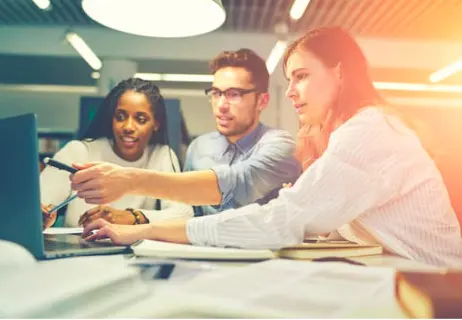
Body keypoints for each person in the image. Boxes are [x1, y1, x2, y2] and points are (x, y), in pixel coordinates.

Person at [74, 27, 462, 267]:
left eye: (302, 76)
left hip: (439, 291)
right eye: (290, 79)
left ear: (339, 72)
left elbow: (278, 221)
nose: (290, 92)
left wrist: (145, 228)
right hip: (411, 276)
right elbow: (333, 220)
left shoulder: (370, 131)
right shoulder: (365, 128)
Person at [70, 48, 301, 216]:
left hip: (262, 262)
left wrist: (129, 180)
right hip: (203, 261)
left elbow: (239, 182)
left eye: (234, 94)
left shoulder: (281, 146)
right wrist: (130, 222)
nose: (221, 104)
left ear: (263, 101)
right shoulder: (199, 147)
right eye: (216, 93)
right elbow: (188, 215)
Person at [40, 78, 193, 228]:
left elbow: (184, 213)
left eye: (140, 119)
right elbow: (38, 205)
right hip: (78, 248)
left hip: (132, 251)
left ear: (155, 124)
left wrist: (130, 217)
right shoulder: (79, 151)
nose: (128, 127)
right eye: (120, 117)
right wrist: (42, 216)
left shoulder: (161, 155)